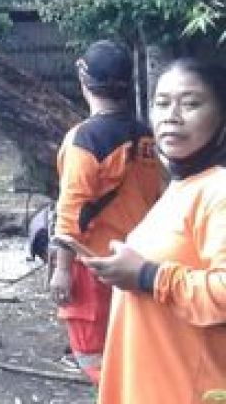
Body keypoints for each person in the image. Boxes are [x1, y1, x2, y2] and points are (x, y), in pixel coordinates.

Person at [86, 58, 226, 403]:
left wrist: (148, 276)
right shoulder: (183, 186)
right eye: (161, 103)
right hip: (151, 382)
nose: (172, 115)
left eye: (191, 103)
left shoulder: (219, 190)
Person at [47, 40, 163, 383]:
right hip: (136, 263)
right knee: (130, 348)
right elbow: (154, 197)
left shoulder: (84, 139)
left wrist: (62, 270)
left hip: (91, 264)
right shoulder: (147, 136)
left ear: (84, 79)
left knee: (94, 357)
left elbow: (71, 208)